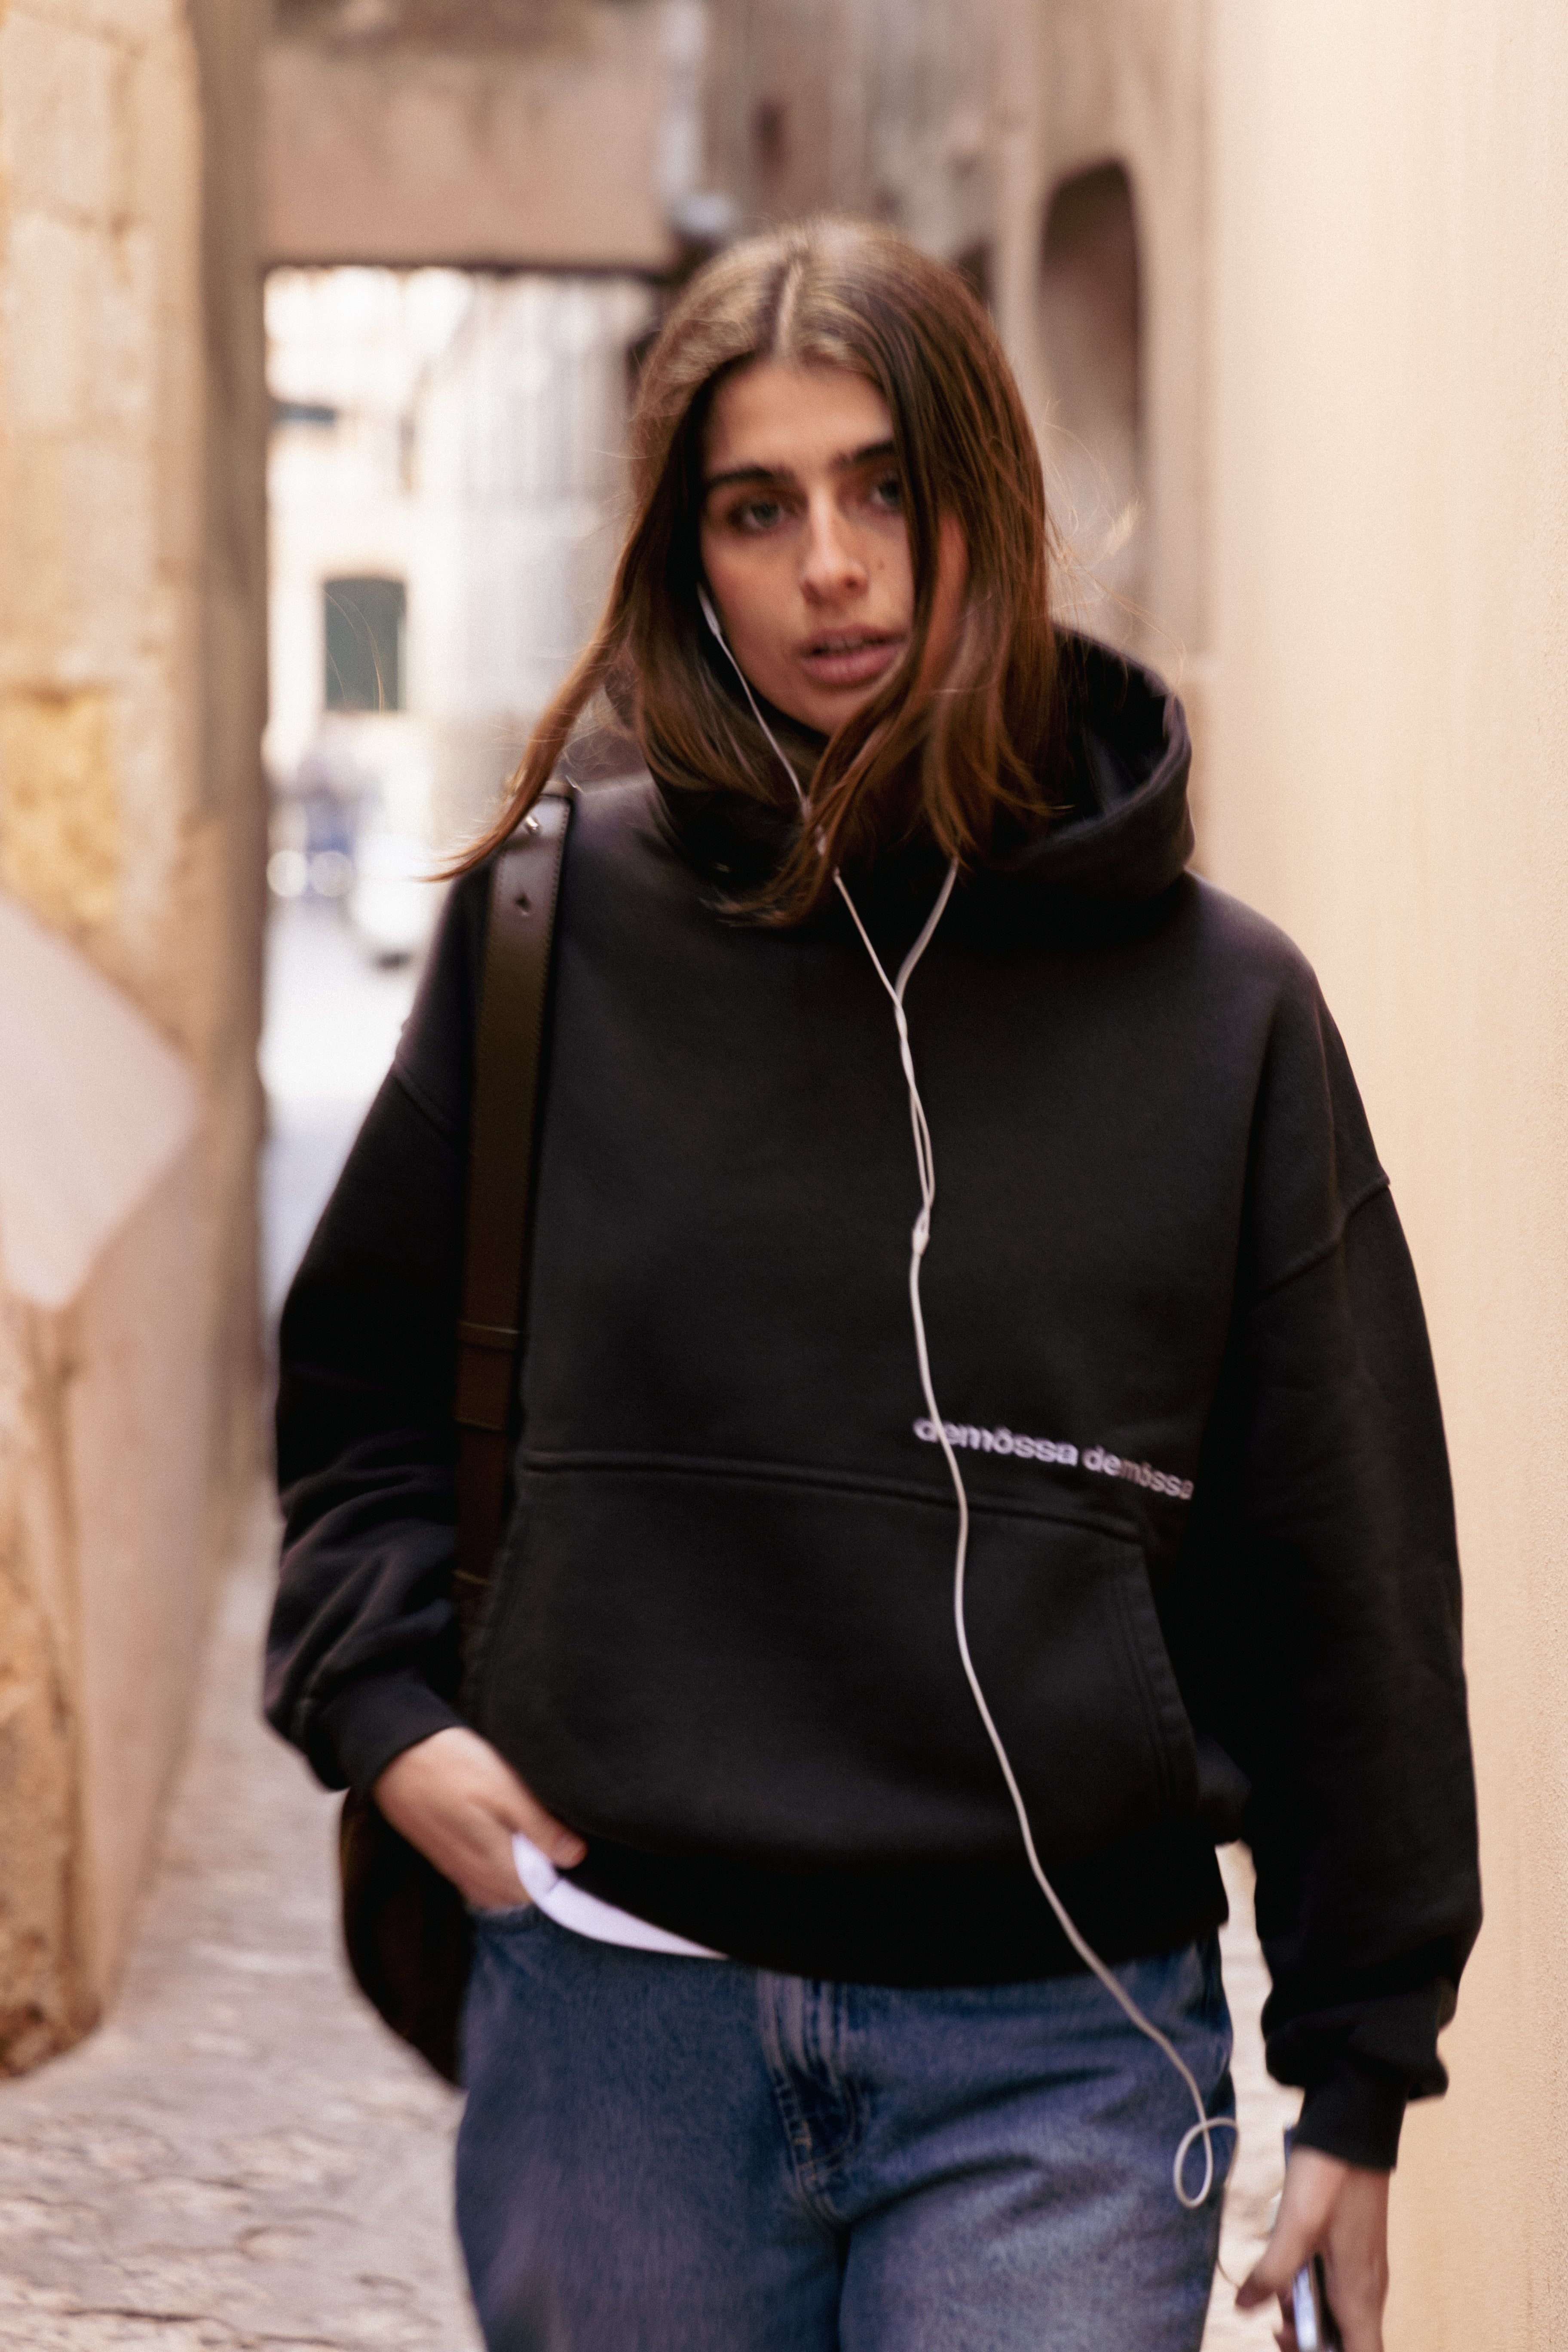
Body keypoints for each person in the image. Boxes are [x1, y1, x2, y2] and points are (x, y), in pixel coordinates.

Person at [265, 219, 1480, 2352]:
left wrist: (1361, 2078)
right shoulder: (558, 941)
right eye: (760, 507)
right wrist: (389, 1716)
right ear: (691, 560)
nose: (832, 563)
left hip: (1062, 2060)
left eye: (883, 487)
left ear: (982, 506)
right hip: (623, 2030)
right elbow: (360, 1393)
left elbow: (1348, 1572)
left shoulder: (1226, 1018)